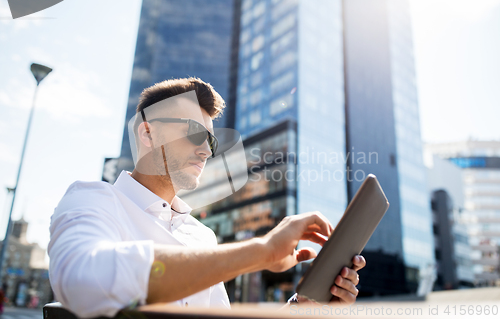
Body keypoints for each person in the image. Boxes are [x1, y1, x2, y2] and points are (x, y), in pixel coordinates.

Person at [48, 78, 366, 318]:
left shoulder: (201, 236)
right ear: (147, 134)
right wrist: (263, 251)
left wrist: (304, 305)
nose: (205, 150)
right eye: (194, 134)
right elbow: (83, 281)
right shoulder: (93, 200)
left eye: (211, 142)